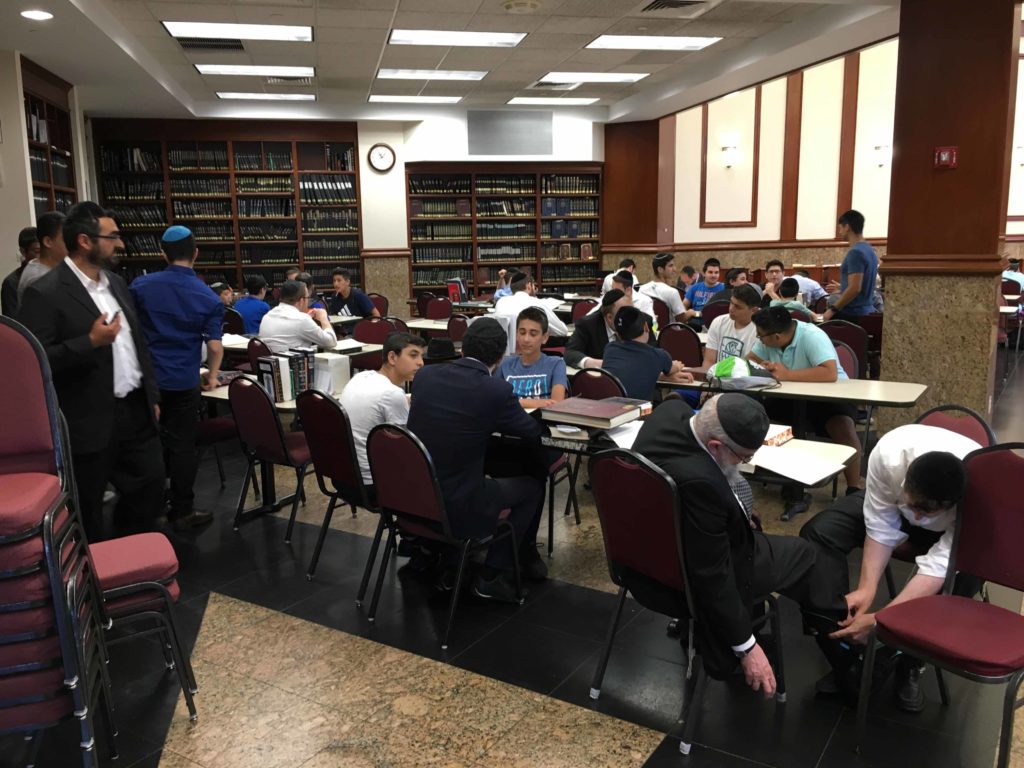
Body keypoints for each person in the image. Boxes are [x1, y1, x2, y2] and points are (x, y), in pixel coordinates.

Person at [631, 394, 849, 691]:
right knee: (812, 556)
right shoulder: (703, 484)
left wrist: (734, 506)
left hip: (648, 553)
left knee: (752, 521)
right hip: (694, 573)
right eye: (744, 457)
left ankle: (763, 615)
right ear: (715, 446)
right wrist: (746, 646)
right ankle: (847, 660)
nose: (745, 462)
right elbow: (712, 576)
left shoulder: (669, 412)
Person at [800, 424, 980, 709]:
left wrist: (883, 620)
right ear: (906, 479)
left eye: (926, 512)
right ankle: (847, 653)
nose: (918, 518)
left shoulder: (983, 494)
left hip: (952, 533)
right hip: (890, 506)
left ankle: (910, 659)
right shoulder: (890, 455)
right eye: (914, 506)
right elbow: (880, 524)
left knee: (967, 575)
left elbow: (940, 565)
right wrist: (867, 588)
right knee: (819, 532)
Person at [20, 202, 165, 538]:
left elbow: (137, 343)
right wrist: (90, 342)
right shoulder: (45, 292)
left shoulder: (116, 283)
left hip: (135, 411)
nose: (120, 244)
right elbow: (36, 360)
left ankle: (131, 553)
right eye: (112, 237)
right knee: (88, 506)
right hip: (87, 418)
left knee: (151, 486)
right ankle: (98, 565)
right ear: (85, 241)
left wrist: (151, 394)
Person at [408, 318, 547, 601]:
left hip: (414, 495)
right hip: (459, 502)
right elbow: (531, 432)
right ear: (500, 357)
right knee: (532, 488)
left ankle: (448, 559)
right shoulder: (494, 390)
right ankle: (492, 574)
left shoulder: (425, 376)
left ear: (463, 348)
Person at [129, 225, 224, 531]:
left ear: (163, 254)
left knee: (148, 443)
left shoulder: (140, 286)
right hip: (183, 380)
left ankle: (150, 508)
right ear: (196, 253)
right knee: (183, 445)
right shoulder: (208, 296)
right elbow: (214, 346)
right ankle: (182, 509)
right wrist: (212, 375)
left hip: (146, 380)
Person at [748, 306, 864, 518]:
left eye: (761, 336)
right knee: (763, 420)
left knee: (842, 427)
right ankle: (789, 479)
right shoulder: (768, 339)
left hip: (830, 395)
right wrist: (761, 366)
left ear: (777, 336)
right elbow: (749, 360)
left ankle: (854, 489)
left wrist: (787, 375)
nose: (759, 339)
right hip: (790, 397)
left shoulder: (812, 336)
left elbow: (829, 373)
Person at [340, 331, 425, 491]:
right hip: (372, 483)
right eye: (413, 355)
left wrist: (405, 400)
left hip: (344, 475)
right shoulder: (392, 394)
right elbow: (406, 449)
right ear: (392, 357)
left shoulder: (361, 377)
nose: (421, 362)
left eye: (421, 356)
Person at [603, 306, 693, 400]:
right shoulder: (658, 355)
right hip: (638, 408)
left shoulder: (609, 349)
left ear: (617, 334)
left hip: (606, 405)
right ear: (646, 327)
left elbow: (629, 371)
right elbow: (671, 370)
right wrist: (677, 367)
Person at [496, 307, 568, 408]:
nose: (526, 339)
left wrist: (511, 402)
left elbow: (557, 404)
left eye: (533, 334)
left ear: (545, 337)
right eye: (522, 333)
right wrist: (537, 403)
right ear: (516, 334)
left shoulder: (556, 364)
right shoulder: (504, 364)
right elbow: (494, 400)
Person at [824, 209, 879, 322]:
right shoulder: (870, 250)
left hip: (852, 314)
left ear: (847, 227)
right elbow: (863, 284)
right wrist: (843, 287)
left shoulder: (855, 252)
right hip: (867, 310)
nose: (839, 232)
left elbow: (855, 288)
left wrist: (832, 309)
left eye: (840, 228)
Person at [258, 279, 337, 353]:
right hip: (294, 362)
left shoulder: (267, 316)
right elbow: (331, 342)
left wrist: (307, 318)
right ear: (301, 300)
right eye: (307, 298)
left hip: (271, 361)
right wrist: (324, 318)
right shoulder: (302, 320)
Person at [701, 284, 761, 368]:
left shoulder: (760, 332)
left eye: (738, 307)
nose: (731, 309)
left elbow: (752, 369)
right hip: (716, 374)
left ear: (754, 310)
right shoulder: (719, 322)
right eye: (731, 303)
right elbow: (709, 361)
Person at [494, 271, 568, 337]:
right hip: (528, 347)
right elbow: (562, 331)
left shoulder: (501, 302)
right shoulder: (536, 303)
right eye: (533, 285)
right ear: (529, 286)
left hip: (502, 347)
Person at [17, 212, 66, 303]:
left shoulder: (51, 268)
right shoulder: (38, 277)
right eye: (65, 238)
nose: (70, 243)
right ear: (48, 242)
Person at [639, 252, 686, 323]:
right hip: (668, 329)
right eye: (670, 266)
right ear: (660, 269)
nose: (674, 269)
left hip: (650, 329)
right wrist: (692, 313)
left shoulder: (642, 289)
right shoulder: (672, 292)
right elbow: (681, 318)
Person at [590, 270, 655, 321]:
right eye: (612, 289)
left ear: (628, 290)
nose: (613, 293)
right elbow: (590, 315)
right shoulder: (611, 298)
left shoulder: (644, 301)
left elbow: (653, 325)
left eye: (617, 290)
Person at [2, 227, 39, 317]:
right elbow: (13, 321)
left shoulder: (52, 275)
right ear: (23, 251)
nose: (43, 256)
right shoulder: (11, 283)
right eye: (37, 251)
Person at [682, 258, 726, 327]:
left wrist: (696, 314)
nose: (713, 275)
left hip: (716, 323)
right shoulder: (694, 287)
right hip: (695, 323)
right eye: (710, 272)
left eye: (716, 272)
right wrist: (688, 313)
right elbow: (683, 306)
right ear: (704, 273)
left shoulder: (725, 288)